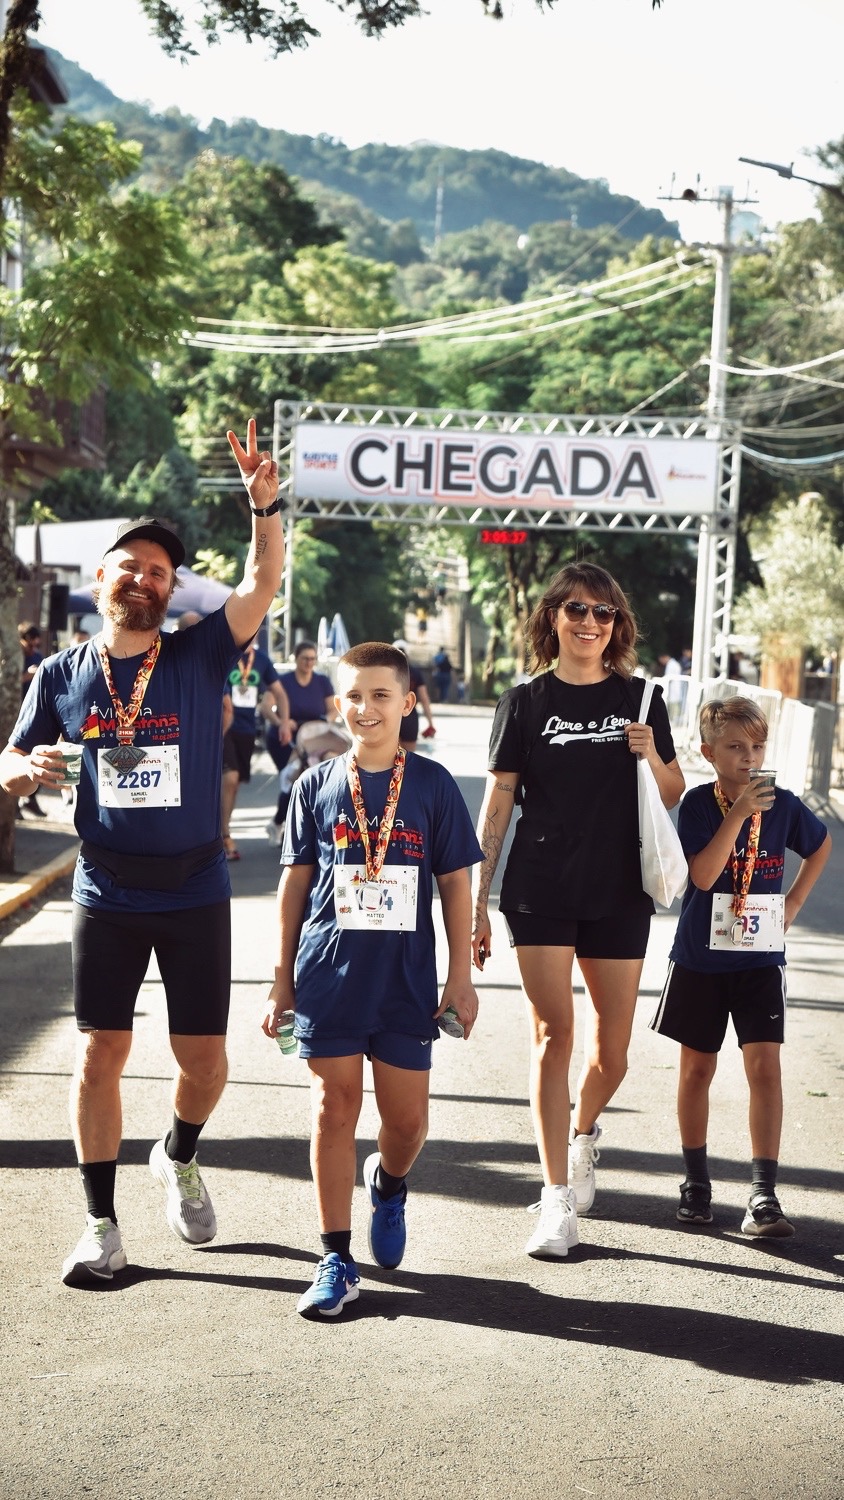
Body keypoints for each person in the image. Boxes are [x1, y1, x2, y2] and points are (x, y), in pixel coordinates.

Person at [0, 418, 284, 1286]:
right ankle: (99, 1225)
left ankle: (179, 1152)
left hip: (196, 884)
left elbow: (263, 577)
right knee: (100, 1052)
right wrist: (23, 767)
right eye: (132, 564)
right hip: (107, 886)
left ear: (172, 590)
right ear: (102, 577)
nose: (145, 577)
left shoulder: (200, 653)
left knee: (205, 1062)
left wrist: (263, 508)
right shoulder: (59, 673)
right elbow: (9, 758)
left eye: (160, 570)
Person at [472, 561, 684, 1259]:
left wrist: (652, 755)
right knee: (550, 1035)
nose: (590, 622)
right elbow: (499, 800)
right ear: (553, 619)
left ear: (616, 625)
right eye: (576, 610)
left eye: (603, 612)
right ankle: (554, 1199)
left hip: (618, 889)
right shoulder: (525, 701)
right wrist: (479, 897)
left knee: (613, 1054)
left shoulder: (642, 697)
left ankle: (583, 1131)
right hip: (538, 887)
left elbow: (675, 791)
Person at [264, 641, 482, 1318]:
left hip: (406, 981)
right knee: (332, 1110)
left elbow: (455, 883)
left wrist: (460, 978)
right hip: (328, 973)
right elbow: (294, 885)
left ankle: (388, 1185)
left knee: (407, 1122)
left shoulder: (433, 785)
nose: (366, 708)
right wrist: (280, 980)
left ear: (408, 703)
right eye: (353, 695)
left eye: (381, 695)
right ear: (339, 702)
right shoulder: (316, 784)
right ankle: (334, 1256)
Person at [649, 696, 830, 1237]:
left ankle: (763, 1193)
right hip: (701, 960)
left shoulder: (786, 805)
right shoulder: (702, 806)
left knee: (765, 1069)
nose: (748, 757)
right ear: (708, 753)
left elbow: (817, 848)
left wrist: (793, 904)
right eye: (735, 747)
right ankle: (696, 1181)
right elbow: (702, 877)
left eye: (757, 746)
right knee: (697, 1069)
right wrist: (739, 814)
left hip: (759, 959)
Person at [221, 638, 290, 860]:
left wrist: (285, 722)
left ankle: (222, 826)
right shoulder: (226, 652)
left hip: (247, 729)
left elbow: (279, 692)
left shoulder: (261, 660)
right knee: (230, 778)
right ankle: (224, 836)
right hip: (223, 725)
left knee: (235, 784)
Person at [264, 639, 336, 842]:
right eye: (305, 659)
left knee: (309, 781)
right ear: (296, 659)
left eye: (313, 659)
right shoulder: (283, 681)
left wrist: (324, 720)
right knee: (292, 779)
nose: (309, 663)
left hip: (313, 738)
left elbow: (333, 710)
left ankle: (293, 826)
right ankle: (281, 823)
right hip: (284, 738)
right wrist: (283, 723)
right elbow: (266, 707)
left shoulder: (322, 681)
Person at [17, 624, 46, 818]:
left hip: (33, 713)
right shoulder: (15, 654)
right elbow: (9, 680)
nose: (33, 645)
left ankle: (29, 799)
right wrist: (28, 675)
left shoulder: (37, 656)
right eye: (30, 641)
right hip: (14, 712)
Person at [392, 639, 436, 752]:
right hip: (409, 716)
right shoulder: (415, 673)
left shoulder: (386, 673)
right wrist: (430, 723)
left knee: (389, 758)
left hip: (390, 716)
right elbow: (424, 699)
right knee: (409, 758)